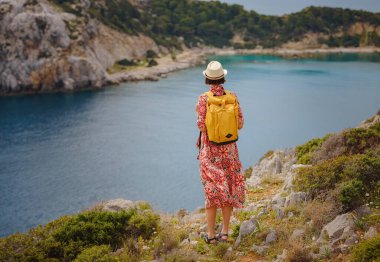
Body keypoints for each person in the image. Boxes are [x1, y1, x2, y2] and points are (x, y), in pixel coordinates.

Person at [195, 61, 246, 244]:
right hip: (230, 152)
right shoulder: (232, 97)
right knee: (228, 192)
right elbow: (240, 124)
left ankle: (210, 236)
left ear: (207, 79)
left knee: (212, 194)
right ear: (223, 77)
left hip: (210, 153)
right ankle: (224, 233)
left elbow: (201, 125)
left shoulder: (203, 99)